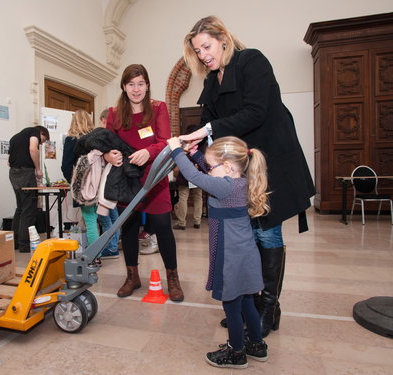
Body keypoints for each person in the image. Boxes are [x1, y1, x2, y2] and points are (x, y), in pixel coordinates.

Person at [181, 16, 316, 337]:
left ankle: (268, 307)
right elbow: (207, 118)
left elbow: (255, 112)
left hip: (271, 160)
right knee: (249, 234)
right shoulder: (212, 81)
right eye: (197, 51)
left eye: (206, 46)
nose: (203, 55)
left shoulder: (251, 61)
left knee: (267, 233)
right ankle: (254, 305)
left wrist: (207, 130)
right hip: (242, 165)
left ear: (223, 38)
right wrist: (194, 142)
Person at [168, 136, 269, 368]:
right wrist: (195, 155)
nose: (208, 169)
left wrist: (177, 152)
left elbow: (195, 177)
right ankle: (256, 344)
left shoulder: (224, 186)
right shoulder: (238, 182)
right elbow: (210, 171)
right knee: (247, 304)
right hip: (246, 254)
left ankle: (236, 353)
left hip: (230, 256)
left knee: (232, 307)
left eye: (212, 166)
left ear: (227, 167)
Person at [104, 63, 184, 301]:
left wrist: (148, 152)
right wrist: (109, 154)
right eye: (131, 84)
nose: (136, 89)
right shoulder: (114, 113)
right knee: (128, 230)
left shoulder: (158, 108)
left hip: (154, 178)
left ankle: (173, 278)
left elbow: (165, 140)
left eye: (140, 84)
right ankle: (132, 277)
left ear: (147, 85)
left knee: (162, 228)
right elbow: (106, 143)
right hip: (126, 180)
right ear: (124, 87)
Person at [61, 109, 99, 250]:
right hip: (98, 182)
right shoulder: (96, 138)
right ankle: (102, 249)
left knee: (89, 220)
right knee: (97, 219)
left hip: (83, 184)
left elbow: (65, 166)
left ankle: (95, 255)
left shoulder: (71, 140)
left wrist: (73, 182)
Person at [8, 125, 50, 253]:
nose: (41, 144)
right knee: (28, 209)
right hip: (26, 173)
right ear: (41, 133)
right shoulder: (34, 131)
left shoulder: (15, 138)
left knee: (20, 208)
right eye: (42, 140)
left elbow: (9, 162)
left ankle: (14, 243)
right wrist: (38, 169)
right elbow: (33, 149)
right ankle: (25, 244)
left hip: (13, 173)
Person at [96, 109, 120, 259]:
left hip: (105, 182)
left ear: (104, 119)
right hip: (113, 182)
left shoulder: (105, 137)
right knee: (113, 216)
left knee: (104, 217)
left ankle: (111, 248)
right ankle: (113, 245)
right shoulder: (115, 137)